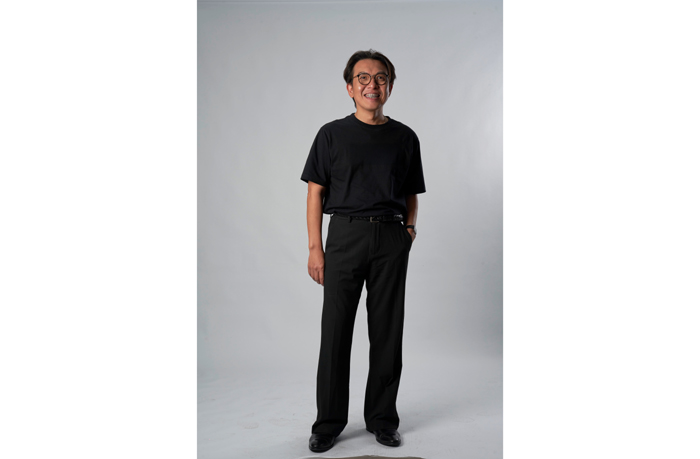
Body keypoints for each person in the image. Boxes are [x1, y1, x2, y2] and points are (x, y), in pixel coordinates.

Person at [301, 49, 426, 453]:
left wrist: (408, 229)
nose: (373, 84)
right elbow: (315, 193)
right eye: (364, 78)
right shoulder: (331, 135)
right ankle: (328, 424)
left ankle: (383, 420)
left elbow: (411, 192)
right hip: (345, 237)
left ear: (390, 85)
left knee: (387, 333)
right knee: (335, 333)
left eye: (381, 77)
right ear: (350, 87)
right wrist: (316, 248)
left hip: (390, 238)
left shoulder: (405, 138)